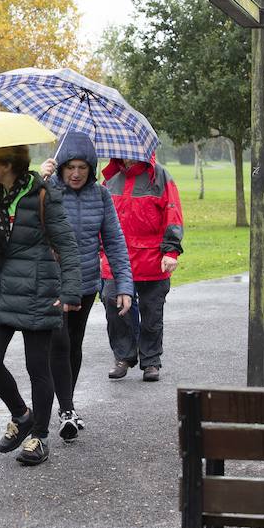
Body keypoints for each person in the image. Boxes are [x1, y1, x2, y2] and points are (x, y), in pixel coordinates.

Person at [0, 145, 80, 466]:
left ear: (8, 164)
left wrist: (70, 293)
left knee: (37, 367)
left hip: (38, 290)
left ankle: (39, 436)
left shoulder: (43, 195)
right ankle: (21, 414)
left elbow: (67, 245)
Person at [38, 132, 133, 442]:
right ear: (61, 167)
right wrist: (41, 181)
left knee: (74, 345)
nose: (76, 173)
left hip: (87, 283)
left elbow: (115, 241)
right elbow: (27, 223)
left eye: (82, 167)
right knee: (59, 341)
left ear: (91, 168)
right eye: (70, 167)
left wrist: (123, 285)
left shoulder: (101, 195)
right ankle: (66, 410)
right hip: (53, 281)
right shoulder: (46, 190)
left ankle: (68, 405)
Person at [101, 154, 183, 382]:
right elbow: (101, 218)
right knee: (112, 303)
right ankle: (123, 356)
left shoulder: (160, 176)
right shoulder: (110, 179)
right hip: (117, 259)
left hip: (152, 258)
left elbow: (173, 212)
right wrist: (100, 251)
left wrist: (171, 251)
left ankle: (151, 361)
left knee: (151, 312)